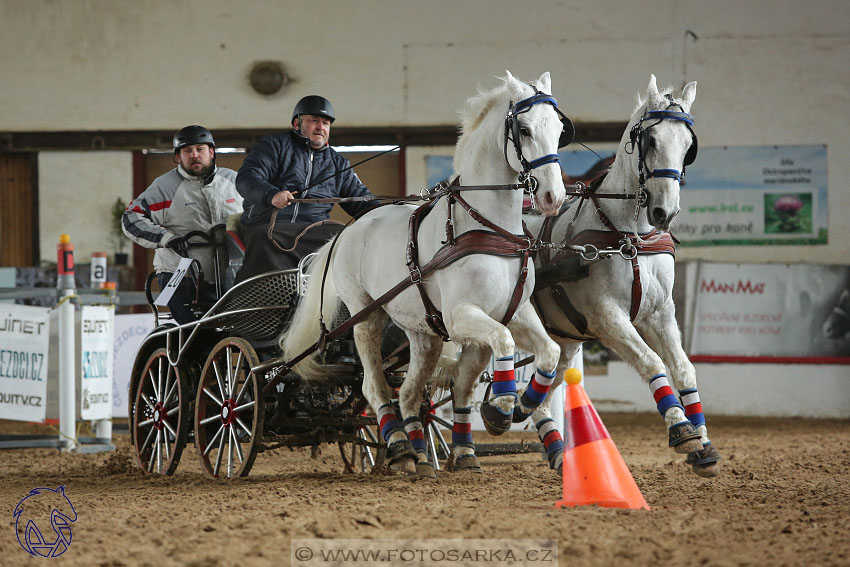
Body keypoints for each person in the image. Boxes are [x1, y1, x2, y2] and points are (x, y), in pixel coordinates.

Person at [234, 95, 378, 282]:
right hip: (270, 225)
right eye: (314, 121)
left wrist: (390, 211)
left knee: (344, 237)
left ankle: (339, 301)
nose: (320, 127)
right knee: (265, 238)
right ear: (296, 123)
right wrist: (272, 195)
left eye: (326, 123)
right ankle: (259, 301)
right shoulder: (274, 146)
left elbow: (361, 200)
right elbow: (246, 178)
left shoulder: (338, 163)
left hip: (315, 229)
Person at [122, 125, 243, 324]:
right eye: (187, 151)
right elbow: (131, 218)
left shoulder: (235, 182)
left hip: (229, 276)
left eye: (200, 149)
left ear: (211, 152)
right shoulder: (164, 187)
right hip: (181, 277)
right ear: (178, 156)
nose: (194, 155)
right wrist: (166, 239)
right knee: (195, 334)